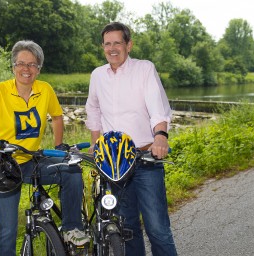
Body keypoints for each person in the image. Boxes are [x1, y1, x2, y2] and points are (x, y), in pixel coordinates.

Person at [0, 40, 89, 256]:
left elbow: (57, 116)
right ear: (13, 66)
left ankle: (71, 228)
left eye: (32, 64)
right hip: (4, 165)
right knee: (7, 230)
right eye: (21, 63)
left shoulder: (45, 89)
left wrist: (59, 145)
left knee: (71, 171)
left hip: (33, 160)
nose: (26, 69)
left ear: (39, 69)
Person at [85, 22, 178, 256]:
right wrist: (95, 141)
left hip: (145, 158)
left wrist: (161, 137)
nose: (112, 48)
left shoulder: (144, 69)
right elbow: (93, 109)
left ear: (129, 45)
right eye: (108, 43)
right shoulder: (97, 75)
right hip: (114, 164)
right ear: (103, 47)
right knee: (127, 229)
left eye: (118, 42)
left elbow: (158, 107)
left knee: (158, 230)